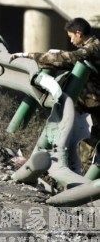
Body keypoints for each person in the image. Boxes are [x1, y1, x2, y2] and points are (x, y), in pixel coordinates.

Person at [16, 18, 100, 172]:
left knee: (88, 146)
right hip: (91, 106)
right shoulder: (92, 47)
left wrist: (30, 55)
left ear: (79, 33)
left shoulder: (93, 48)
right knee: (87, 145)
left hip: (95, 106)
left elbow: (70, 59)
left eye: (71, 36)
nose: (71, 40)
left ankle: (83, 185)